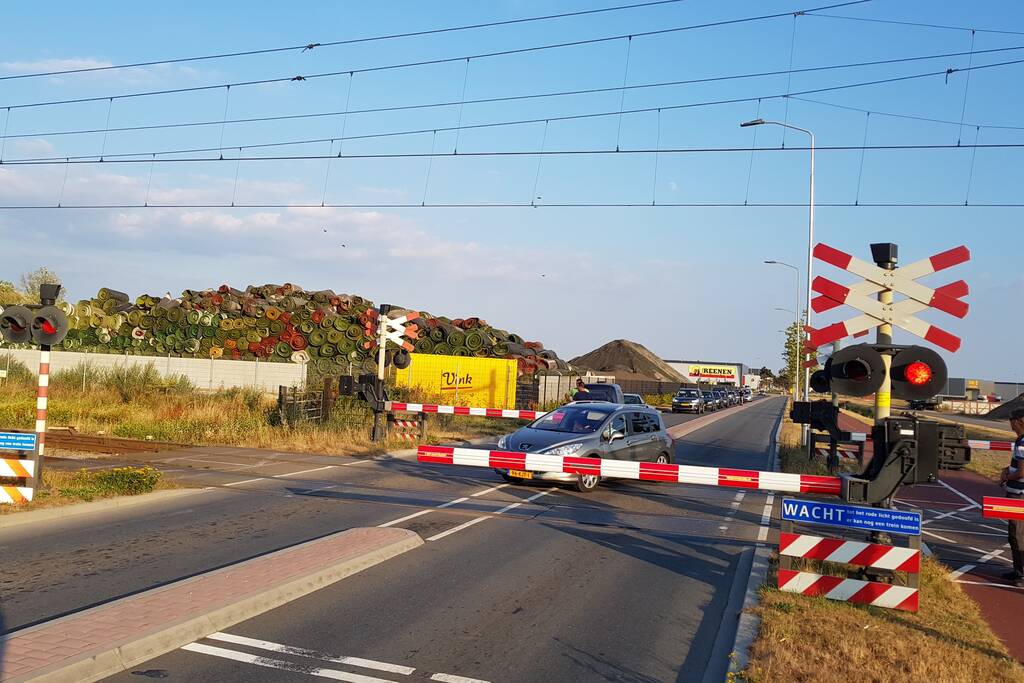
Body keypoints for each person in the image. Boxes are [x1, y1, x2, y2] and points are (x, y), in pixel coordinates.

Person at [999, 407, 1024, 586]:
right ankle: (1018, 570)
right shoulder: (1020, 441)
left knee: (1017, 534)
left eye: (1011, 420)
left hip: (1019, 495)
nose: (1010, 424)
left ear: (1018, 421)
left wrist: (1007, 477)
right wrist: (1008, 469)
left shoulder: (1022, 442)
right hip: (1018, 492)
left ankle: (1021, 573)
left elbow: (1022, 472)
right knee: (1015, 533)